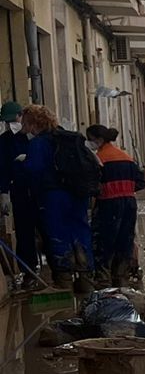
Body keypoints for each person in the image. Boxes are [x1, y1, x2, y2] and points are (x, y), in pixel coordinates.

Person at [18, 104, 95, 295]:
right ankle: (86, 279)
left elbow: (34, 171)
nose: (25, 129)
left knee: (58, 234)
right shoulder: (71, 138)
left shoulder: (38, 143)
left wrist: (23, 165)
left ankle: (64, 280)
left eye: (26, 124)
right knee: (80, 230)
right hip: (78, 193)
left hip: (53, 195)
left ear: (33, 123)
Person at [86, 124, 143, 289]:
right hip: (129, 204)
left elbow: (93, 185)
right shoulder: (126, 157)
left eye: (90, 140)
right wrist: (125, 189)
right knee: (125, 240)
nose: (89, 143)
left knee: (104, 241)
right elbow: (141, 182)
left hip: (108, 203)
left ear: (100, 140)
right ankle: (122, 278)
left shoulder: (99, 160)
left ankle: (104, 280)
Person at [1, 100, 40, 289]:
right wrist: (4, 193)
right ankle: (29, 272)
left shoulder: (36, 138)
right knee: (24, 233)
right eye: (8, 122)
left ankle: (61, 273)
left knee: (47, 231)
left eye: (15, 120)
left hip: (41, 191)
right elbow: (2, 168)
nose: (13, 125)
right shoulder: (4, 141)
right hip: (19, 191)